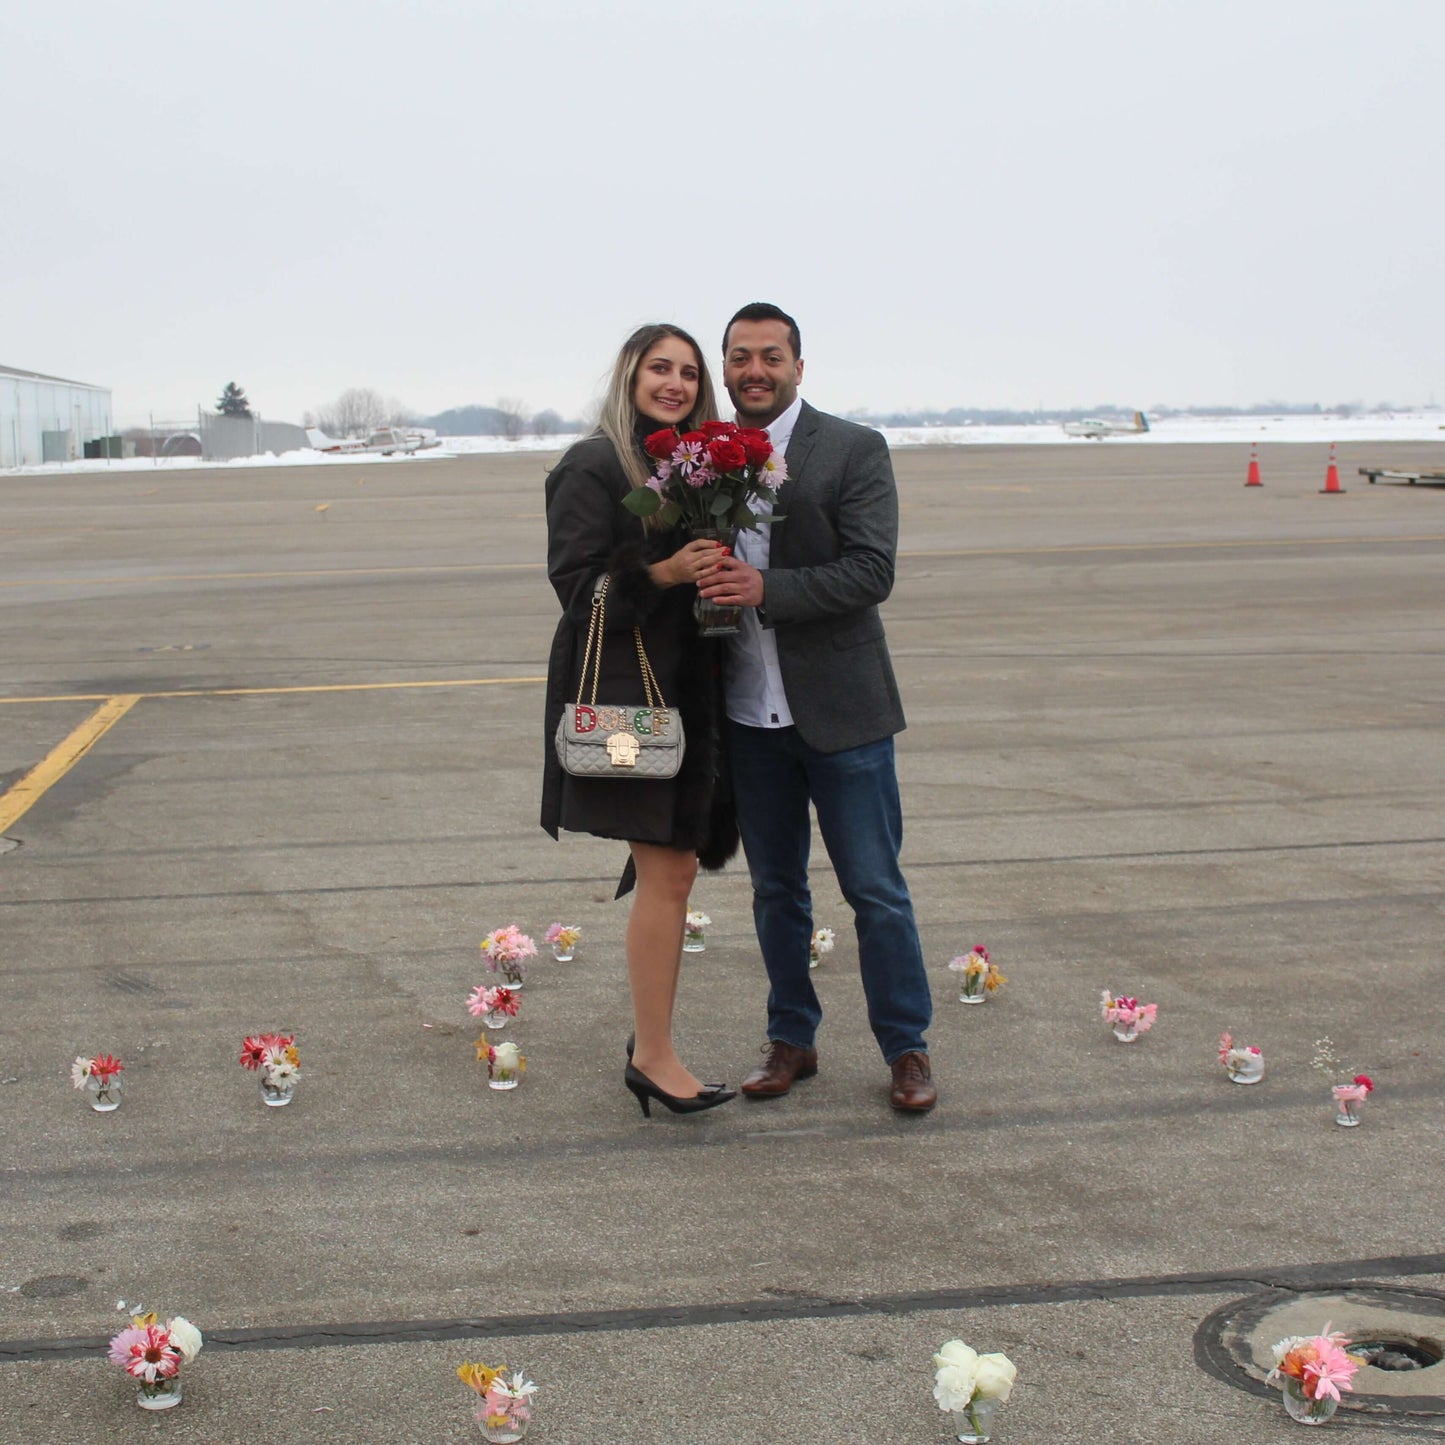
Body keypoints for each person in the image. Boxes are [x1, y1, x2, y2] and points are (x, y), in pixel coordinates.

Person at [697, 302, 936, 1112]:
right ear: (724, 367)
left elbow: (872, 571)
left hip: (844, 717)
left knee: (874, 889)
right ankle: (791, 1038)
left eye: (770, 355)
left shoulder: (851, 449)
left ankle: (905, 1046)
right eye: (739, 357)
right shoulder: (702, 457)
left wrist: (768, 588)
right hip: (748, 714)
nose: (753, 370)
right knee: (775, 892)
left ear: (799, 366)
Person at [541, 323, 739, 1118]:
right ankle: (653, 1055)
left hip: (695, 689)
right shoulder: (594, 464)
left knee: (678, 869)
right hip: (632, 695)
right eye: (660, 368)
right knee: (669, 872)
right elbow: (574, 586)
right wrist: (660, 570)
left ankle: (650, 1045)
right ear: (629, 376)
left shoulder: (689, 467)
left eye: (689, 372)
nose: (676, 382)